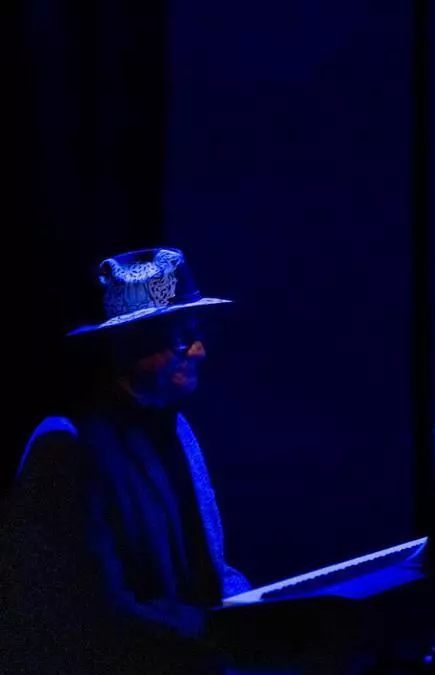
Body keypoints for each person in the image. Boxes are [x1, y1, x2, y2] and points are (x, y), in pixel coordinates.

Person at [0, 247, 251, 674]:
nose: (199, 352)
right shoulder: (68, 444)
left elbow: (207, 567)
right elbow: (93, 609)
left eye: (197, 334)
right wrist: (220, 632)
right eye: (181, 337)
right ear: (131, 344)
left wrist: (258, 610)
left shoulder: (178, 429)